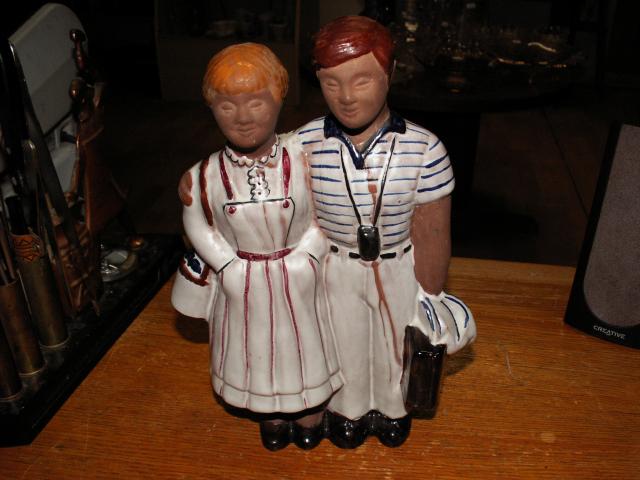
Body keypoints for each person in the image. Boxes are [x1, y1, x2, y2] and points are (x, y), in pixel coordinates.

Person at [295, 16, 476, 448]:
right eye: (331, 83)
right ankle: (348, 412)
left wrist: (430, 294)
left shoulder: (425, 149)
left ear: (390, 74)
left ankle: (393, 411)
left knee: (395, 342)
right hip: (334, 266)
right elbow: (292, 215)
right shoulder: (302, 144)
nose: (346, 97)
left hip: (400, 267)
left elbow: (433, 231)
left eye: (362, 80)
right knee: (343, 341)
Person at [171, 43, 343, 451]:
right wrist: (226, 265)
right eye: (227, 106)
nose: (243, 118)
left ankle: (309, 410)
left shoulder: (306, 161)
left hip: (298, 277)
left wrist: (310, 254)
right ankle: (271, 415)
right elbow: (197, 224)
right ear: (212, 109)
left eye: (256, 103)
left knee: (303, 346)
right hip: (243, 284)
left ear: (279, 99)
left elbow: (326, 213)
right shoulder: (204, 176)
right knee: (255, 350)